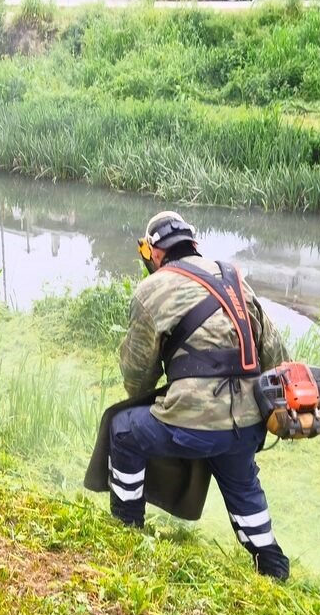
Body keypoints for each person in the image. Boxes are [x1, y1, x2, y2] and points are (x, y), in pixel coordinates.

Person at [110, 211, 291, 580]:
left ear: (155, 254)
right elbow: (276, 356)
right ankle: (272, 565)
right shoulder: (234, 277)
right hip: (248, 424)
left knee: (123, 429)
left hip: (193, 426)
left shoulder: (152, 289)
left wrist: (159, 396)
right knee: (242, 481)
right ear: (193, 244)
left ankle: (127, 526)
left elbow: (137, 378)